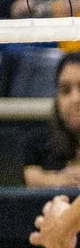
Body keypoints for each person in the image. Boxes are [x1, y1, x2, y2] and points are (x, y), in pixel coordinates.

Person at [25, 52, 80, 188]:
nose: (75, 99)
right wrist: (59, 180)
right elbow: (27, 175)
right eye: (65, 90)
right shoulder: (37, 145)